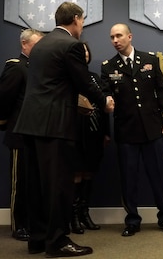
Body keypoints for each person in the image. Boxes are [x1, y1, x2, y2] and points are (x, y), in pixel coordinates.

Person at [13, 2, 115, 257]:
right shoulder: (72, 45)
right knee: (59, 185)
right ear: (77, 19)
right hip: (55, 124)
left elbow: (52, 84)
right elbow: (82, 81)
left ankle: (37, 240)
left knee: (36, 185)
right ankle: (57, 242)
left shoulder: (41, 45)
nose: (83, 26)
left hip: (30, 123)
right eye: (82, 21)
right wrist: (104, 101)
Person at [101, 23, 163, 237]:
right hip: (126, 131)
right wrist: (106, 101)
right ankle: (132, 220)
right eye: (112, 37)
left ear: (130, 36)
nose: (115, 40)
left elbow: (162, 91)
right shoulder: (109, 66)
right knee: (129, 178)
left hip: (153, 129)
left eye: (119, 36)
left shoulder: (150, 60)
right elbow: (106, 93)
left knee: (159, 176)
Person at [0, 28, 44, 241]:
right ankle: (19, 225)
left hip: (35, 134)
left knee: (33, 183)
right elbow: (3, 99)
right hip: (19, 134)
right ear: (24, 44)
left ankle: (32, 223)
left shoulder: (35, 68)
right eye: (36, 45)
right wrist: (4, 123)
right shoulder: (16, 67)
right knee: (20, 184)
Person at [70, 43, 111, 234]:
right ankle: (73, 216)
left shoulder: (94, 78)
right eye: (81, 52)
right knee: (76, 172)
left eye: (87, 51)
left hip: (95, 132)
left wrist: (106, 133)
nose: (85, 54)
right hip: (75, 132)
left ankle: (84, 213)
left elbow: (105, 108)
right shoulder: (68, 77)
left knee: (90, 172)